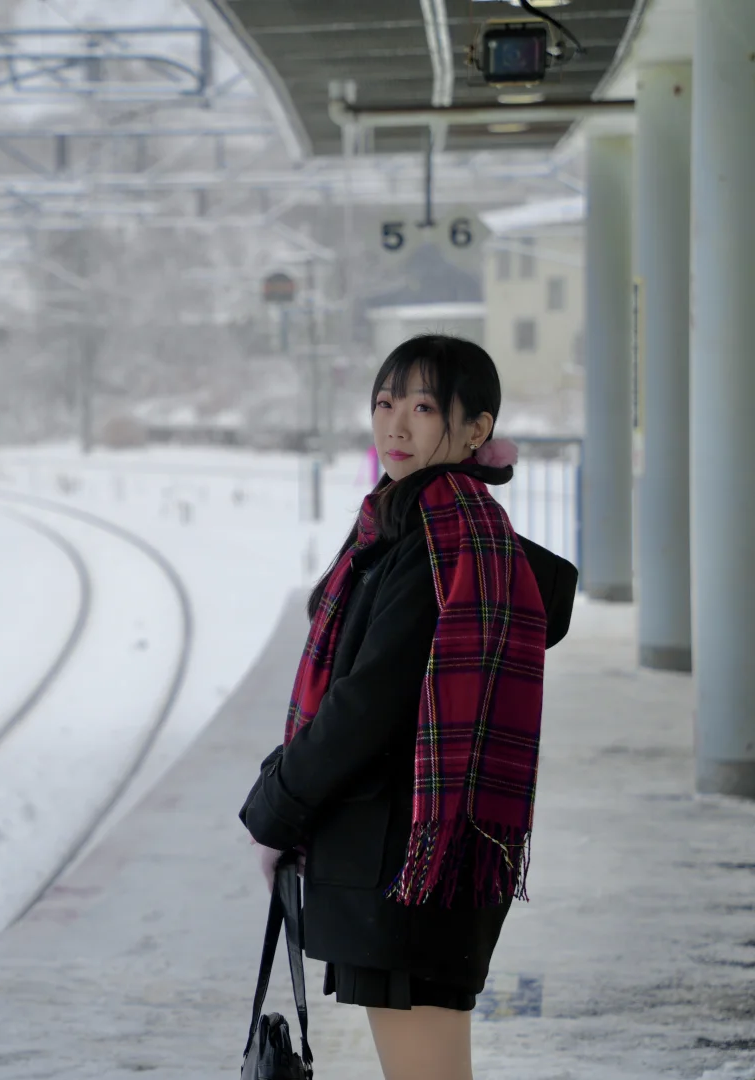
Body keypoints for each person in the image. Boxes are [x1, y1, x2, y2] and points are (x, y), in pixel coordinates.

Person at [238, 334, 574, 1080]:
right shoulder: (434, 530)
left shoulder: (434, 544)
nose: (395, 426)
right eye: (385, 404)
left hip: (406, 863)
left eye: (423, 407)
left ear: (476, 428)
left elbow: (366, 704)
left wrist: (275, 806)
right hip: (410, 857)